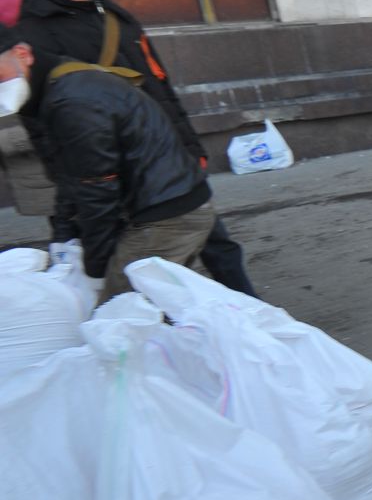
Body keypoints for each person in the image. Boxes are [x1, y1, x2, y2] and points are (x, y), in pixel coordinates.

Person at [13, 0, 256, 295]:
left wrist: (189, 146)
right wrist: (68, 182)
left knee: (214, 240)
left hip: (162, 151)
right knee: (128, 255)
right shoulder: (33, 29)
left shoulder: (112, 13)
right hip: (104, 161)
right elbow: (42, 118)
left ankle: (249, 309)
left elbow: (159, 83)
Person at [5, 23, 217, 299]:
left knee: (119, 317)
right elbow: (70, 174)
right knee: (171, 311)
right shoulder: (57, 86)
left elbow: (96, 191)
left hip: (167, 216)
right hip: (173, 204)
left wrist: (96, 269)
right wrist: (64, 235)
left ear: (23, 54)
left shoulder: (72, 102)